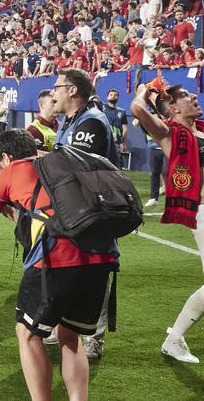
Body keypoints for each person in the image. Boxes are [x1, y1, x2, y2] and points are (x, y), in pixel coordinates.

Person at [0, 129, 117, 401]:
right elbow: (47, 216)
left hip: (56, 259)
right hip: (101, 255)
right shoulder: (61, 161)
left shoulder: (10, 171)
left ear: (4, 157)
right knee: (70, 339)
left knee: (27, 334)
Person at [129, 82, 204, 364]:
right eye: (185, 96)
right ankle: (174, 340)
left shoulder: (201, 129)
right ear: (172, 108)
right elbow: (137, 108)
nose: (194, 96)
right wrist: (146, 91)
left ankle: (175, 337)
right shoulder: (170, 132)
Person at [50, 67, 117, 359]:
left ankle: (95, 337)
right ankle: (65, 326)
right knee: (69, 269)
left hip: (94, 213)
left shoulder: (90, 122)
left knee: (95, 271)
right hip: (74, 210)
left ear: (72, 91)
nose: (55, 92)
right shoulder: (72, 119)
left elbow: (72, 167)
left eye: (58, 87)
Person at [102, 89, 129, 168]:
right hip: (104, 141)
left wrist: (123, 142)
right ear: (107, 97)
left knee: (116, 167)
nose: (113, 96)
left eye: (115, 95)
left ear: (118, 98)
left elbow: (125, 128)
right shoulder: (102, 108)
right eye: (111, 95)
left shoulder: (122, 112)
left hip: (116, 143)